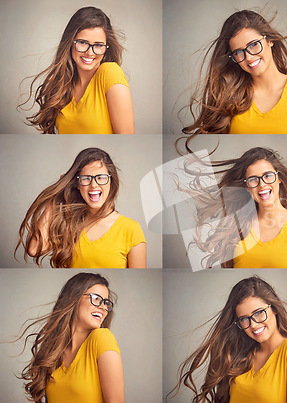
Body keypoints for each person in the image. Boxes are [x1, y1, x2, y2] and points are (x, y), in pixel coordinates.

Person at [170, 276, 287, 402]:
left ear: (274, 309)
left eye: (258, 313)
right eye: (244, 319)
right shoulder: (241, 355)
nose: (253, 325)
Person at [182, 9, 287, 134]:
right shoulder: (228, 94)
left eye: (253, 45)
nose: (248, 57)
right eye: (238, 52)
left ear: (270, 40)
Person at [186, 147, 287, 268]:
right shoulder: (235, 227)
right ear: (246, 187)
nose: (262, 184)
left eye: (267, 176)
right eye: (253, 179)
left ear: (279, 178)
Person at [17, 147, 146, 268]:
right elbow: (34, 250)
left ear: (111, 182)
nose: (94, 185)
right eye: (86, 178)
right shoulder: (69, 223)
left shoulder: (131, 229)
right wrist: (57, 195)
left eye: (101, 178)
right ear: (77, 184)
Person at [19, 6, 134, 134]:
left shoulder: (111, 73)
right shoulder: (62, 86)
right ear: (70, 43)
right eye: (82, 42)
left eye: (98, 45)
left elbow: (127, 134)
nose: (90, 52)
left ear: (107, 47)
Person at [16, 272, 124, 403]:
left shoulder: (102, 338)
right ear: (74, 298)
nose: (102, 307)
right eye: (96, 298)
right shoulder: (54, 354)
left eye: (106, 302)